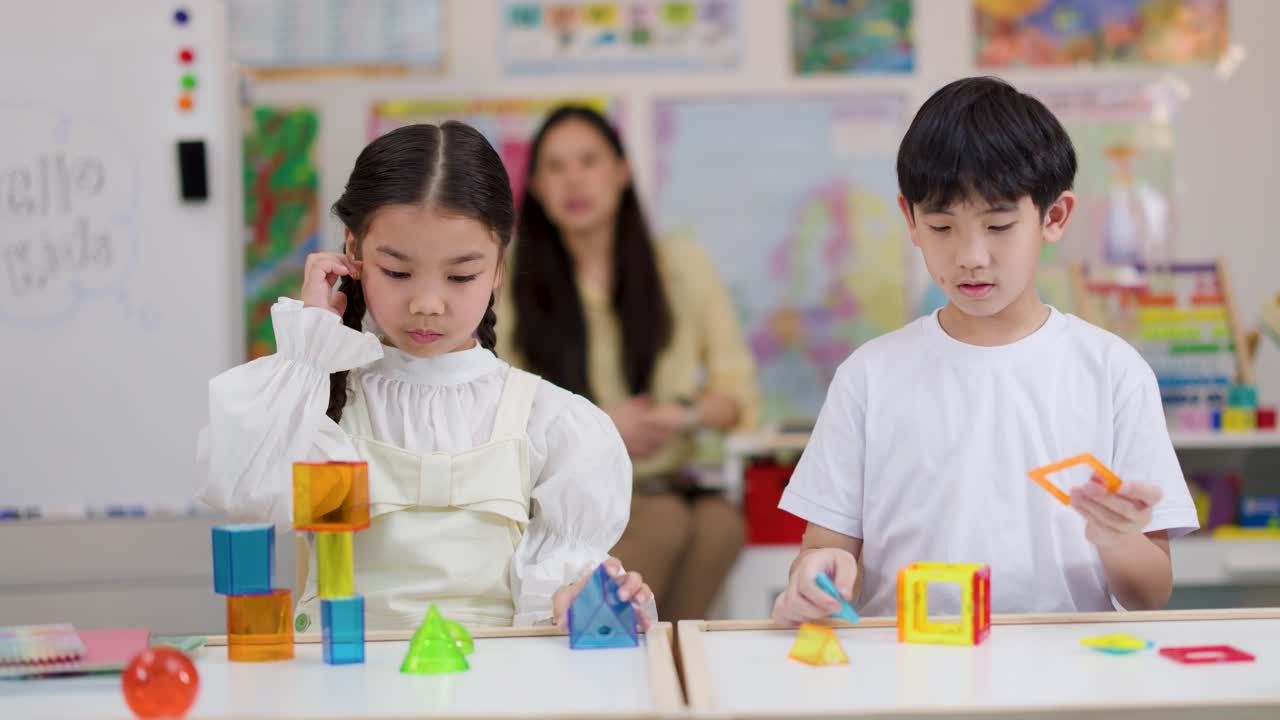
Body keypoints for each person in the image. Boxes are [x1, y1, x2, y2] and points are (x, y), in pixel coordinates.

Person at [772, 77, 1199, 625]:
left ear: (1055, 216)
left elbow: (1151, 592)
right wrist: (816, 576)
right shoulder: (870, 375)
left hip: (1063, 678)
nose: (970, 255)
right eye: (942, 226)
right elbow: (823, 549)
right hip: (908, 673)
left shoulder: (1111, 372)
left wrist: (1115, 538)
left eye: (998, 225)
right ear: (910, 220)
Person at [199, 121, 652, 631]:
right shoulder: (321, 400)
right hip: (345, 688)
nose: (427, 304)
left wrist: (578, 600)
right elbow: (245, 492)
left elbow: (556, 590)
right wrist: (308, 347)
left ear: (499, 266)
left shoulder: (548, 420)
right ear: (353, 252)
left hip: (489, 688)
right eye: (396, 271)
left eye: (461, 276)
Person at [495, 106, 760, 621]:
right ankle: (645, 663)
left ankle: (654, 659)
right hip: (570, 491)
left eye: (589, 161)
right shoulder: (514, 282)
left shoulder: (680, 266)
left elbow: (736, 393)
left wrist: (684, 416)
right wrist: (598, 426)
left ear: (621, 171)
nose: (574, 180)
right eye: (555, 167)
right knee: (667, 524)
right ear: (538, 189)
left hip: (670, 478)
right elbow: (496, 400)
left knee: (720, 525)